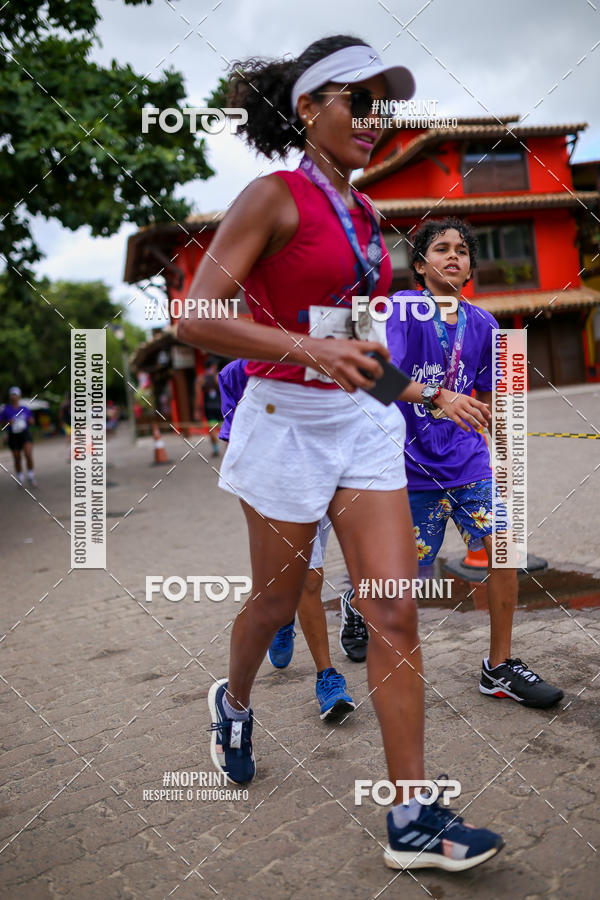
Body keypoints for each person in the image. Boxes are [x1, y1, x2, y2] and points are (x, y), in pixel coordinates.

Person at [178, 36, 503, 871]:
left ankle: (413, 817)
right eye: (357, 100)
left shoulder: (363, 216)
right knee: (273, 605)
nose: (372, 118)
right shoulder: (275, 196)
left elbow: (357, 347)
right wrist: (308, 350)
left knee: (391, 607)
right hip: (283, 420)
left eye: (380, 105)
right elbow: (195, 314)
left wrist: (429, 395)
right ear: (308, 107)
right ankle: (234, 700)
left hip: (361, 424)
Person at [383, 217, 563, 708]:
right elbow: (378, 379)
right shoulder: (401, 309)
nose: (453, 256)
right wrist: (437, 395)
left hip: (469, 465)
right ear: (420, 266)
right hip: (410, 470)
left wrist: (505, 456)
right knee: (406, 579)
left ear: (469, 268)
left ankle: (498, 667)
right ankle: (360, 607)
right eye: (441, 248)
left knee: (504, 551)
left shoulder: (484, 324)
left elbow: (491, 400)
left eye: (461, 250)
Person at [219, 358, 356, 721]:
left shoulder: (335, 352)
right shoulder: (236, 373)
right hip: (280, 485)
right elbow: (235, 440)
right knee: (307, 580)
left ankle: (285, 614)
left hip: (335, 474)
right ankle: (327, 677)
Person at [1, 387, 37, 487]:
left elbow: (32, 420)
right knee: (17, 457)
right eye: (12, 395)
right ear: (10, 396)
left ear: (19, 396)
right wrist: (7, 422)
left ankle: (31, 475)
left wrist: (30, 421)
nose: (14, 397)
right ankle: (20, 477)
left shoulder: (24, 408)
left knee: (28, 454)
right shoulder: (6, 410)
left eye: (15, 395)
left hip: (25, 434)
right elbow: (2, 423)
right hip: (13, 436)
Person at [196, 357, 222, 457]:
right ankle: (229, 447)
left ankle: (215, 449)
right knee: (225, 427)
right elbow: (224, 392)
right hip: (220, 406)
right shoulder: (218, 377)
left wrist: (197, 410)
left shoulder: (201, 379)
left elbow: (198, 396)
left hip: (208, 407)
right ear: (213, 366)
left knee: (212, 429)